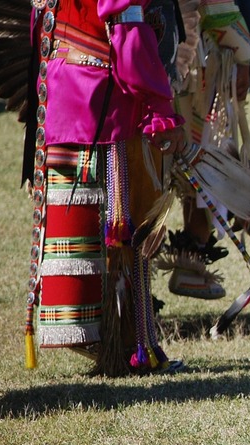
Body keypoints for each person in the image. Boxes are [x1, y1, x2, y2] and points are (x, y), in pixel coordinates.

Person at [22, 0, 187, 375]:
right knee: (119, 226)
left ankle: (111, 341)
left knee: (98, 225)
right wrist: (162, 109)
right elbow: (129, 35)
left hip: (61, 95)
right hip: (101, 103)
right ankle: (128, 346)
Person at [161, 0, 250, 300]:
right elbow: (218, 9)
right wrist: (242, 57)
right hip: (191, 66)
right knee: (204, 158)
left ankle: (129, 282)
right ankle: (189, 268)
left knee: (148, 163)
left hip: (136, 57)